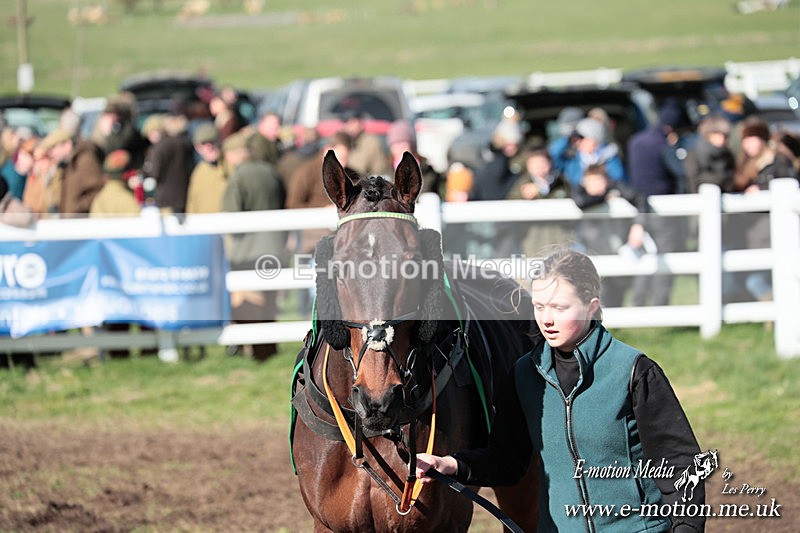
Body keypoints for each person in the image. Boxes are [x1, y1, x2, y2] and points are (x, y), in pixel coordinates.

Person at [417, 247, 705, 533]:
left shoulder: (635, 371)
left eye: (559, 308)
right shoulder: (524, 376)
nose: (547, 319)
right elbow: (508, 461)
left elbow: (681, 465)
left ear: (591, 306)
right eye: (539, 307)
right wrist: (451, 464)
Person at [221, 131, 287, 361]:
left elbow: (231, 216)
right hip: (275, 245)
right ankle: (269, 349)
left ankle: (257, 352)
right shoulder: (271, 171)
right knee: (269, 302)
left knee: (248, 302)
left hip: (248, 249)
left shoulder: (238, 177)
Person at [626, 99, 687, 307]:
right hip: (663, 211)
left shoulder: (635, 141)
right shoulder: (664, 145)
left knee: (643, 258)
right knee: (664, 259)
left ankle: (638, 302)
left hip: (637, 208)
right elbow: (679, 174)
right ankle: (661, 303)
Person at [732, 118, 797, 305]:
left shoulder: (777, 160)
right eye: (747, 139)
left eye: (754, 138)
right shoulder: (745, 163)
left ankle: (780, 307)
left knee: (758, 279)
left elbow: (789, 185)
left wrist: (762, 190)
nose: (750, 144)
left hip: (771, 229)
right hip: (752, 230)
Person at [572, 164, 648, 307]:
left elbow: (640, 199)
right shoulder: (580, 191)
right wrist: (604, 196)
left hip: (617, 246)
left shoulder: (617, 186)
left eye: (598, 181)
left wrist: (638, 226)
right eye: (591, 182)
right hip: (590, 248)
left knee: (619, 287)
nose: (595, 186)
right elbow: (581, 202)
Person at [506, 147, 571, 256]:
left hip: (559, 234)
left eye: (542, 162)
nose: (539, 167)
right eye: (534, 164)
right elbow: (511, 203)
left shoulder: (560, 181)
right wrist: (525, 196)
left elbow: (566, 198)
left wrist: (541, 191)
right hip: (533, 236)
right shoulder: (522, 183)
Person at [143, 113, 195, 213]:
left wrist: (146, 172)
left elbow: (155, 173)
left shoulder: (158, 149)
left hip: (165, 198)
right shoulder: (181, 143)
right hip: (184, 196)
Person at [552, 116, 626, 186]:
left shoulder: (610, 157)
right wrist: (567, 138)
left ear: (594, 139)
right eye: (576, 139)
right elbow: (553, 153)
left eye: (582, 138)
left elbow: (618, 179)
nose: (577, 142)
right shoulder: (574, 160)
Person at [385, 120, 443, 196]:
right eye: (397, 143)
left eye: (404, 142)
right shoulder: (385, 169)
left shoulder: (426, 170)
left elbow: (428, 191)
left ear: (412, 145)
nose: (401, 147)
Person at [185, 123, 227, 214]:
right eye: (204, 143)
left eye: (212, 142)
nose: (209, 147)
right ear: (198, 148)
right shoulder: (198, 172)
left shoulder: (230, 166)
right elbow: (192, 202)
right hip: (204, 224)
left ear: (219, 142)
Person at [340, 110, 389, 177]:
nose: (349, 126)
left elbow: (379, 171)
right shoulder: (339, 141)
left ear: (360, 123)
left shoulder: (371, 142)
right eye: (346, 122)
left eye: (353, 122)